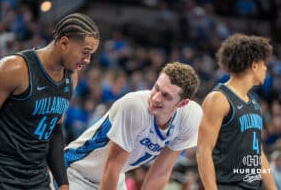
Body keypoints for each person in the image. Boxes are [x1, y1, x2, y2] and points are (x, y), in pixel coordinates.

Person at [0, 13, 100, 190]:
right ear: (64, 43)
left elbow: (55, 131)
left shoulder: (71, 78)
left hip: (36, 178)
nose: (88, 60)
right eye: (85, 52)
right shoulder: (15, 68)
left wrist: (63, 183)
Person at [64, 62, 203, 190]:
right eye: (156, 88)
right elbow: (112, 167)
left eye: (166, 96)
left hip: (115, 178)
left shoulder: (190, 118)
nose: (155, 98)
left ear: (182, 103)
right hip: (76, 172)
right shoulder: (135, 106)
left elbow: (161, 172)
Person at [196, 34, 277, 190]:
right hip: (227, 185)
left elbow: (257, 151)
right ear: (254, 66)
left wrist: (272, 188)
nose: (266, 68)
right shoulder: (219, 98)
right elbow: (203, 150)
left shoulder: (254, 104)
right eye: (264, 64)